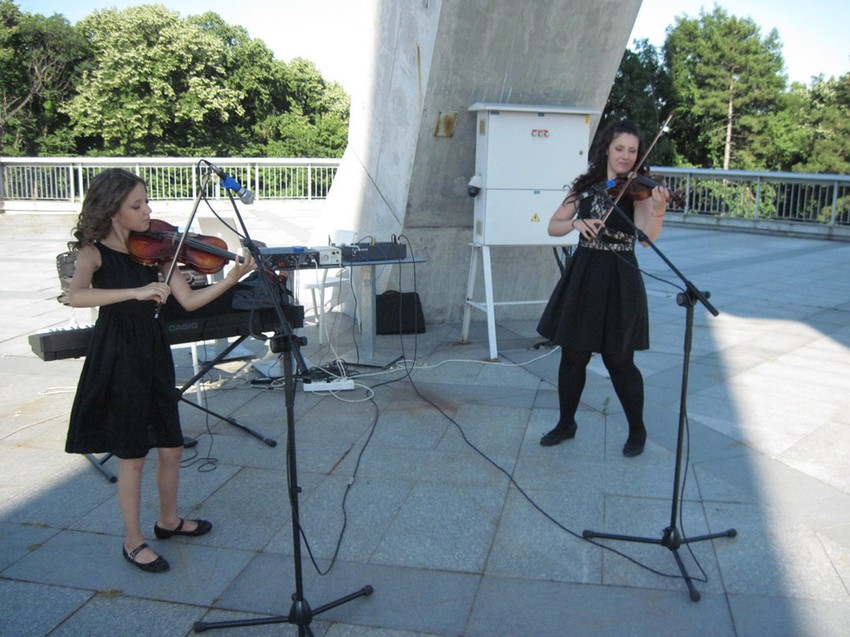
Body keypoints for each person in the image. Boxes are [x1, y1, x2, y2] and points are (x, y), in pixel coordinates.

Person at [64, 168, 256, 572]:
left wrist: (235, 276)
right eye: (137, 205)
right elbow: (75, 295)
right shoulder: (93, 251)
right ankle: (133, 542)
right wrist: (134, 292)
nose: (148, 210)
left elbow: (188, 301)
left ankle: (168, 520)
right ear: (113, 212)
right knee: (132, 454)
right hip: (118, 352)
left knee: (170, 445)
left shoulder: (155, 254)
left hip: (152, 350)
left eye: (146, 201)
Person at [536, 119, 668, 457]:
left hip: (619, 275)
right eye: (620, 148)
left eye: (632, 151)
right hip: (584, 271)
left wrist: (659, 210)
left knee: (619, 359)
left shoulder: (640, 191)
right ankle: (567, 423)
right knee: (573, 353)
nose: (625, 156)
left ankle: (637, 430)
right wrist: (576, 222)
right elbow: (553, 225)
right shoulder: (585, 186)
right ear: (607, 148)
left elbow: (645, 238)